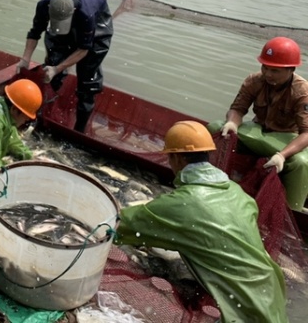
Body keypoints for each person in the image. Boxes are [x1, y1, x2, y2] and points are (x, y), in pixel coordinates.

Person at [115, 120, 287, 323]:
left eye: (169, 157)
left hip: (244, 312)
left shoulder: (181, 204)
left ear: (176, 158)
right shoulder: (239, 193)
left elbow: (119, 225)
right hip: (273, 293)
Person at [214, 36, 308, 212]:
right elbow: (238, 109)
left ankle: (292, 212)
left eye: (275, 71)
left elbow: (306, 133)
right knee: (216, 128)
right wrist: (232, 123)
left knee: (301, 163)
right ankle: (211, 179)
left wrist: (282, 155)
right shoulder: (254, 81)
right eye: (265, 67)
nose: (268, 74)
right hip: (257, 132)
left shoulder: (302, 92)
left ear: (290, 70)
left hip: (285, 138)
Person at [17, 0, 113, 132]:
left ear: (73, 11)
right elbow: (35, 32)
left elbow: (84, 50)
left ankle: (79, 131)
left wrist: (58, 68)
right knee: (54, 61)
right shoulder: (43, 5)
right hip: (69, 13)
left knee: (88, 79)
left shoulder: (86, 14)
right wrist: (25, 59)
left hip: (98, 21)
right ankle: (41, 115)